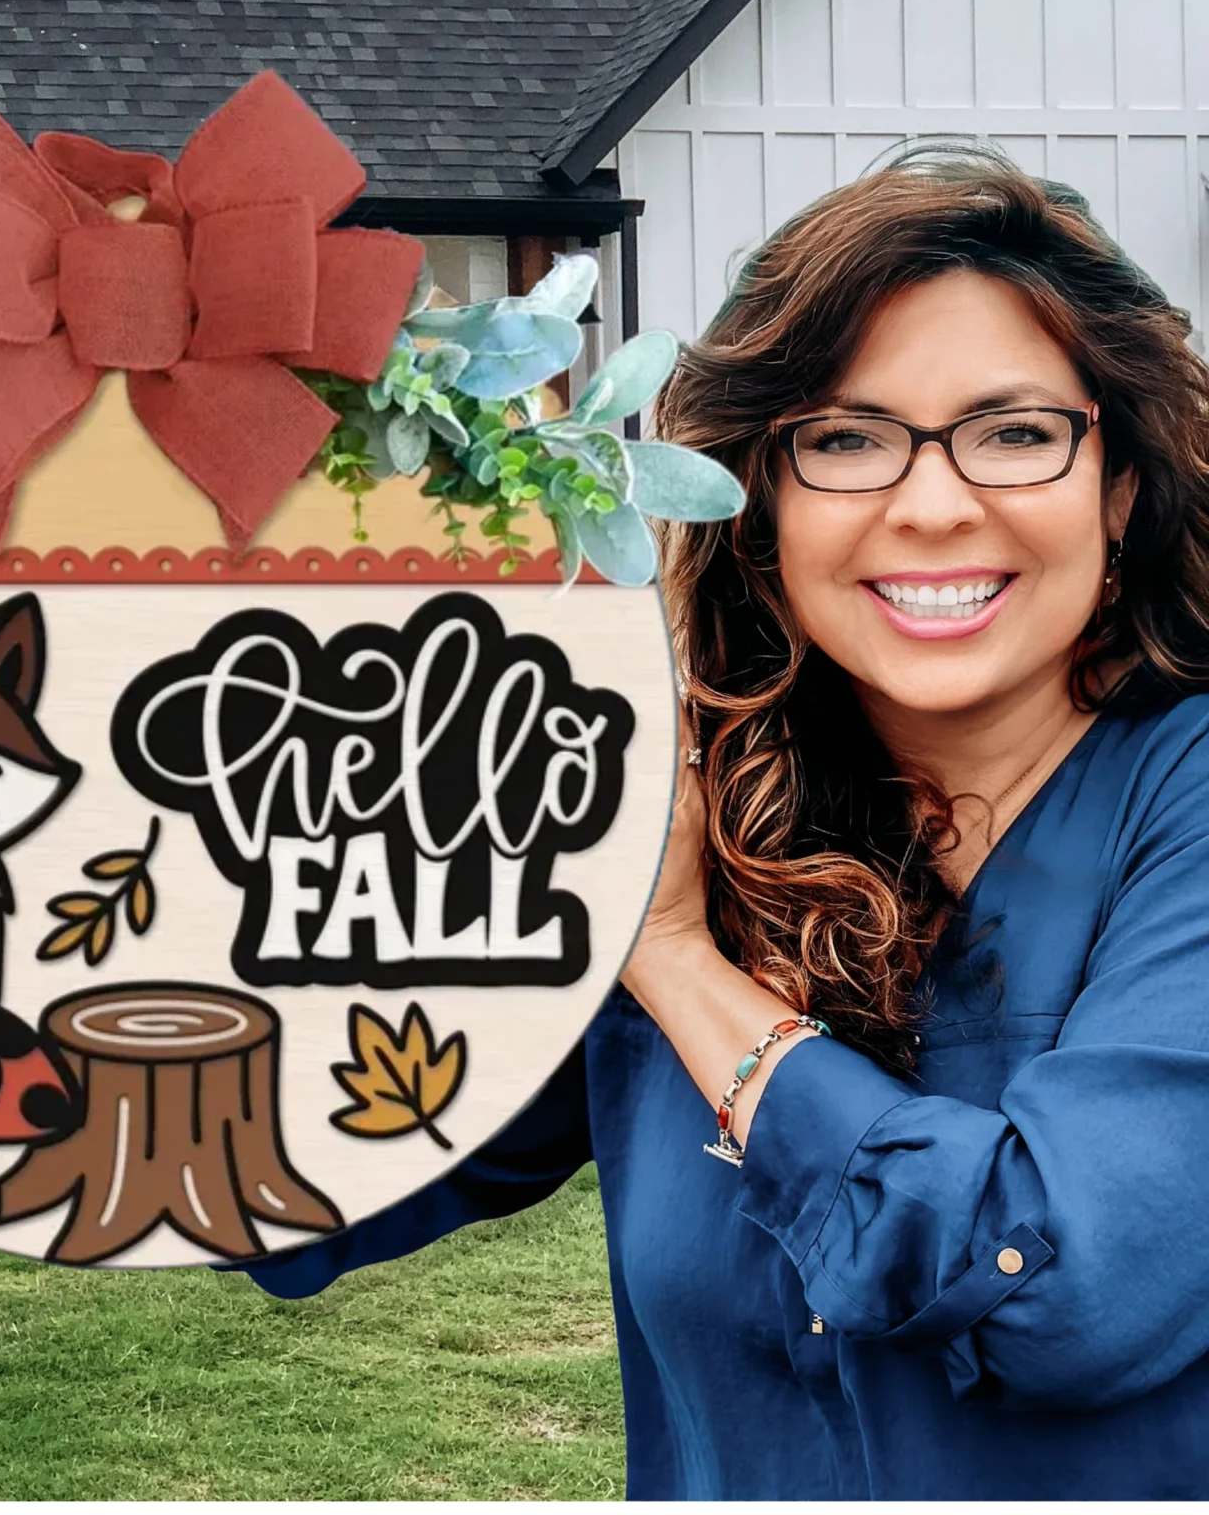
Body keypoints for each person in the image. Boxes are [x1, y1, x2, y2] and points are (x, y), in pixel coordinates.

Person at [239, 145, 1209, 1501]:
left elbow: (1062, 1290)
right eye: (846, 440)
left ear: (1119, 488)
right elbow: (302, 1169)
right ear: (761, 506)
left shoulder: (1178, 806)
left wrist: (678, 961)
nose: (934, 506)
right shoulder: (700, 807)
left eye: (1014, 433)